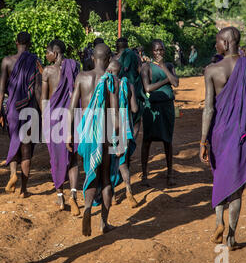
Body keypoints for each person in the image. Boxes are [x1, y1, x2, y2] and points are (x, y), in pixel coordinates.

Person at [200, 27, 246, 250]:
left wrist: (202, 141)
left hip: (219, 132)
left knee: (219, 178)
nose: (215, 46)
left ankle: (218, 222)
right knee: (237, 186)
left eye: (217, 42)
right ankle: (231, 237)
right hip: (243, 134)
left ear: (226, 43)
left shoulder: (212, 70)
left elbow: (208, 109)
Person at [67, 43, 120, 236]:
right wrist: (117, 137)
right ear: (108, 59)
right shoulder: (111, 80)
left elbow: (72, 107)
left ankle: (88, 206)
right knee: (106, 178)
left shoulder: (81, 77)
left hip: (87, 134)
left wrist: (69, 133)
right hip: (104, 135)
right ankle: (103, 223)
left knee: (90, 171)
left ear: (93, 58)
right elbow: (115, 113)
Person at [0, 32, 42, 198]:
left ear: (16, 42)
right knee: (26, 149)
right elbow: (37, 90)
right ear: (29, 44)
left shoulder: (7, 61)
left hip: (13, 109)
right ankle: (24, 189)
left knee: (14, 141)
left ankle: (12, 174)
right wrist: (43, 112)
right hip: (30, 109)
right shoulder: (35, 61)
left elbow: (1, 90)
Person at [41, 39, 81, 215]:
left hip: (54, 119)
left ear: (55, 53)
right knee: (72, 157)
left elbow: (44, 100)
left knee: (56, 158)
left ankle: (60, 196)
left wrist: (43, 120)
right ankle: (73, 195)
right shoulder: (75, 66)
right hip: (72, 118)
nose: (46, 55)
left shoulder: (48, 71)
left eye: (47, 52)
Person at [140, 39, 179, 187]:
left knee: (167, 140)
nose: (159, 53)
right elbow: (148, 88)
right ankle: (144, 175)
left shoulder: (169, 65)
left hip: (167, 107)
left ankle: (170, 174)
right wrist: (165, 81)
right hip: (152, 108)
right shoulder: (146, 67)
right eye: (156, 50)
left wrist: (164, 67)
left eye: (161, 50)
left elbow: (175, 82)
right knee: (147, 140)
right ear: (152, 51)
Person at [106, 60, 139, 208]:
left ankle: (112, 196)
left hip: (111, 127)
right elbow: (135, 109)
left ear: (110, 71)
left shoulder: (106, 86)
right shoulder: (128, 85)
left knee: (111, 163)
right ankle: (128, 191)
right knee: (123, 163)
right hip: (125, 127)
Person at [114, 37, 144, 141]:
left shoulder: (113, 59)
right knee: (135, 120)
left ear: (116, 47)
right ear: (127, 45)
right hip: (133, 91)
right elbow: (142, 72)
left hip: (117, 93)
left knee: (119, 118)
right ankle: (130, 145)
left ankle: (119, 146)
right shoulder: (135, 56)